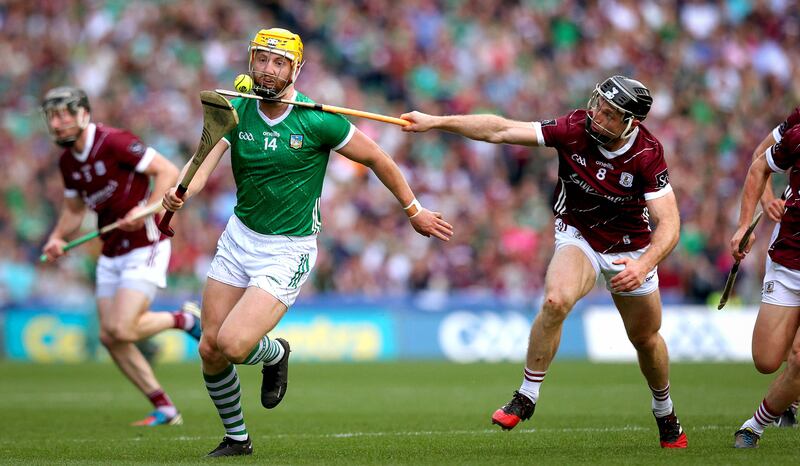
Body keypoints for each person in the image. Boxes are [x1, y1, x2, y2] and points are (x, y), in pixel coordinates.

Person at [162, 27, 453, 457]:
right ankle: (237, 439)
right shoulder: (238, 108)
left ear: (296, 69)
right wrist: (182, 188)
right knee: (209, 347)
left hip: (287, 249)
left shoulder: (318, 119)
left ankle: (276, 352)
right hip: (239, 237)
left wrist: (414, 211)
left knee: (234, 345)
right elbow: (203, 158)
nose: (268, 68)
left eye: (279, 62)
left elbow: (377, 158)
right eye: (261, 59)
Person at [401, 75, 686, 448]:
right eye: (598, 103)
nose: (597, 115)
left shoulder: (647, 155)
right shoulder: (573, 127)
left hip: (630, 248)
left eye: (610, 114)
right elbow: (501, 130)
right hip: (579, 233)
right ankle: (527, 395)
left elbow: (670, 223)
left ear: (631, 122)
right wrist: (437, 122)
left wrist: (644, 264)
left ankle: (665, 412)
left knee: (645, 338)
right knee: (555, 301)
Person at [40, 86, 202, 426]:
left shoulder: (113, 141)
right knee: (109, 336)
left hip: (145, 243)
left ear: (84, 113)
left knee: (123, 328)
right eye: (53, 116)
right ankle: (165, 408)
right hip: (111, 250)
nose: (58, 123)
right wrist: (56, 238)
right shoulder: (68, 162)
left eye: (65, 114)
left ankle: (184, 320)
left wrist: (145, 209)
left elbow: (169, 172)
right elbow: (73, 209)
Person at [731, 106, 800, 448]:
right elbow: (760, 160)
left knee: (799, 360)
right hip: (790, 256)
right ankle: (791, 391)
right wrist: (750, 220)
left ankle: (754, 426)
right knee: (766, 360)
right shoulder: (798, 128)